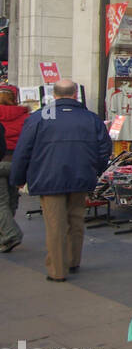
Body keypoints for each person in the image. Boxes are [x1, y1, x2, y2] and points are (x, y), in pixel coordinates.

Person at [10, 79, 111, 280]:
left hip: (48, 177)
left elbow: (23, 150)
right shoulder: (90, 118)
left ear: (54, 95)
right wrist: (95, 171)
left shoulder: (39, 117)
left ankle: (58, 270)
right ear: (75, 94)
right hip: (81, 176)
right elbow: (104, 149)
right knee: (76, 220)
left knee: (55, 224)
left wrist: (19, 177)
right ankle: (73, 260)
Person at [0, 84, 29, 251]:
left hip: (0, 160)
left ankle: (10, 233)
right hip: (16, 162)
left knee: (1, 202)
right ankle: (4, 235)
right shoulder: (24, 116)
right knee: (11, 199)